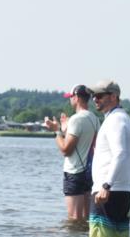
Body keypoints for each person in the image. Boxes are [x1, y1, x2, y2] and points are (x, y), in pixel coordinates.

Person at [88, 80, 130, 237]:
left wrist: (106, 185)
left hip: (107, 193)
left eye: (100, 95)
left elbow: (120, 153)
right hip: (119, 191)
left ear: (114, 96)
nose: (95, 99)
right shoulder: (121, 118)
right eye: (94, 96)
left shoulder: (115, 120)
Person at [43, 85, 100, 221]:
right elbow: (91, 145)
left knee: (74, 220)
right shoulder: (95, 118)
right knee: (86, 219)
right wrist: (64, 130)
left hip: (74, 172)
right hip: (89, 173)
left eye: (71, 97)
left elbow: (66, 150)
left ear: (77, 98)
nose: (70, 100)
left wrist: (56, 131)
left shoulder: (76, 119)